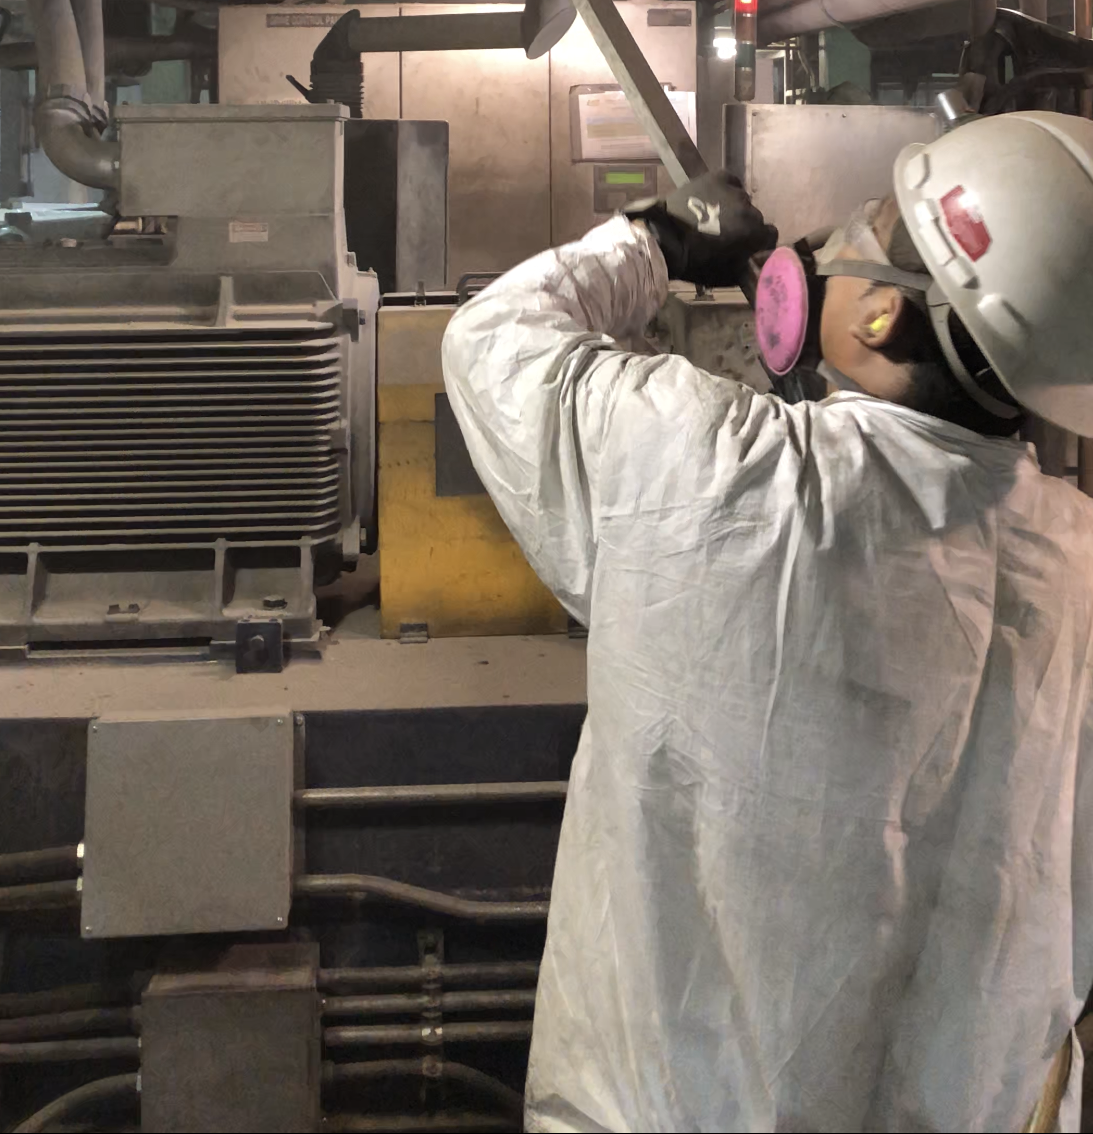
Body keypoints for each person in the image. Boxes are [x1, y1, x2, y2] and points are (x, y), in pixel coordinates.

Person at [441, 110, 1093, 1134]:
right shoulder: (1080, 560)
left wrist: (653, 242)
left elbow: (496, 344)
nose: (829, 242)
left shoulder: (711, 467)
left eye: (867, 225)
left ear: (879, 319)